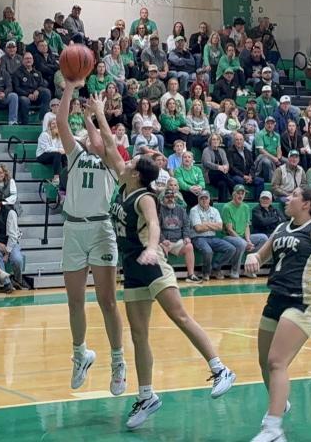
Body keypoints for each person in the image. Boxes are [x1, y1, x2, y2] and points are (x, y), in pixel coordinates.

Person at [88, 96, 236, 429]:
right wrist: (95, 113)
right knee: (139, 334)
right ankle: (146, 396)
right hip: (133, 266)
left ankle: (219, 368)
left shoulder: (144, 198)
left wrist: (153, 248)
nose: (125, 163)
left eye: (132, 162)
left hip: (152, 264)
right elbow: (109, 146)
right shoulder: (126, 183)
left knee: (180, 316)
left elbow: (154, 226)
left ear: (138, 175)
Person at [245, 187, 311, 442]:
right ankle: (280, 403)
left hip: (302, 302)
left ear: (307, 204)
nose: (289, 199)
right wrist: (252, 257)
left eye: (295, 196)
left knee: (277, 362)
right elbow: (262, 253)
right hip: (275, 298)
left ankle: (273, 428)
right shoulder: (280, 228)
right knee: (265, 362)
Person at [53, 78, 127, 395]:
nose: (90, 138)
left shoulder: (114, 163)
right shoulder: (76, 156)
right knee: (74, 301)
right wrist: (71, 86)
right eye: (87, 135)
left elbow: (106, 145)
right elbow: (60, 121)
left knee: (107, 301)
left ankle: (118, 362)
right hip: (73, 229)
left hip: (101, 230)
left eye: (93, 134)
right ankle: (81, 354)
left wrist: (97, 116)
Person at [0, 190, 26, 290]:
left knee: (17, 259)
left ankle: (17, 280)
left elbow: (13, 235)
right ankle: (7, 283)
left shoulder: (10, 213)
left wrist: (7, 252)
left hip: (11, 242)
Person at [222, 185, 267, 278]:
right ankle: (234, 270)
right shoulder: (227, 207)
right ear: (233, 194)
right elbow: (229, 230)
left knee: (263, 238)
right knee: (241, 243)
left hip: (243, 236)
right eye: (238, 193)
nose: (241, 196)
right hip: (229, 237)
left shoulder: (246, 207)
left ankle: (249, 269)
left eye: (243, 193)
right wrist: (244, 242)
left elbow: (247, 226)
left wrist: (248, 240)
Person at [158, 189, 199, 282]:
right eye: (167, 197)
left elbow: (186, 225)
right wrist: (162, 239)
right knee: (162, 247)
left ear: (175, 198)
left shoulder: (181, 210)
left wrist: (186, 237)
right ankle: (165, 277)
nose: (170, 199)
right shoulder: (159, 210)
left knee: (189, 246)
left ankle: (190, 275)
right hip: (165, 241)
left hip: (178, 241)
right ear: (163, 199)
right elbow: (157, 227)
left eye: (172, 197)